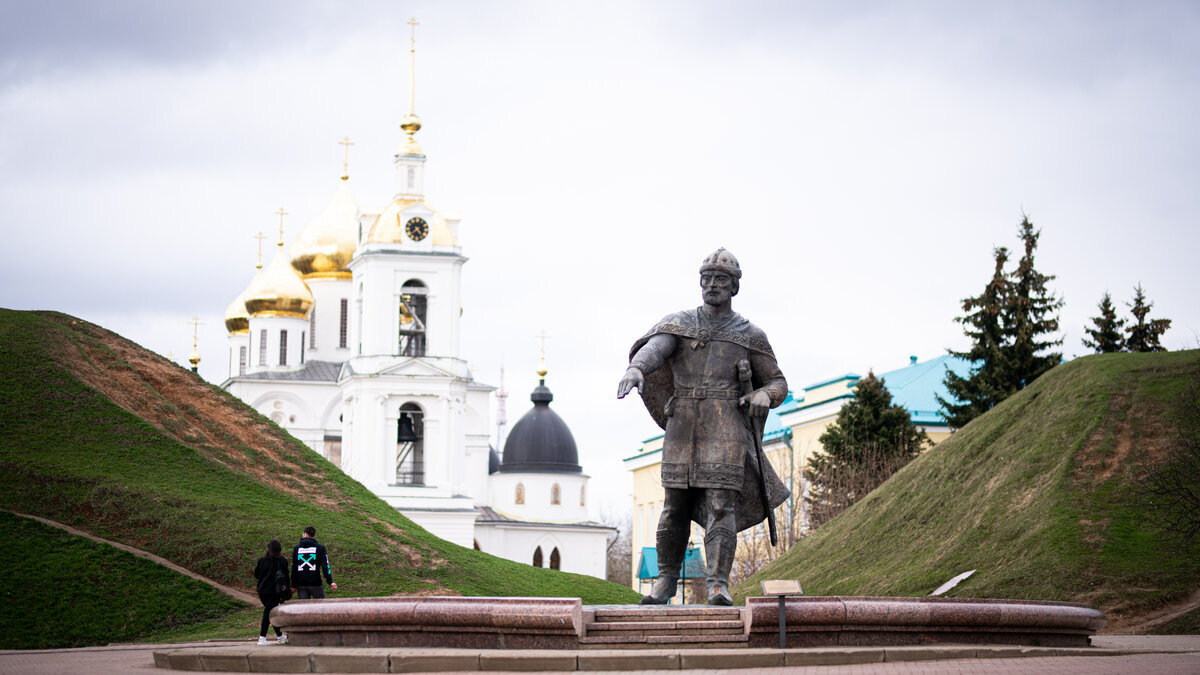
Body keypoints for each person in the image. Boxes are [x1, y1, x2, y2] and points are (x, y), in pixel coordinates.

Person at [618, 248, 789, 605]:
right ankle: (665, 582)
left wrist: (764, 396)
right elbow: (656, 348)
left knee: (721, 506)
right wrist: (637, 368)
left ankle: (717, 584)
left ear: (734, 288)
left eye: (720, 280)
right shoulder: (679, 324)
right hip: (682, 424)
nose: (712, 285)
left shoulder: (749, 334)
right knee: (673, 506)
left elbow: (777, 382)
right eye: (706, 280)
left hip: (725, 427)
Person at [252, 539, 290, 645]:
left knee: (271, 612)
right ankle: (262, 637)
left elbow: (256, 574)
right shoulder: (282, 560)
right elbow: (286, 576)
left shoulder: (262, 561)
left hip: (262, 590)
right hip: (274, 591)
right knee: (268, 614)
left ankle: (280, 636)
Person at [291, 526, 337, 598]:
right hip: (315, 583)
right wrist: (330, 581)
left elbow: (294, 567)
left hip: (301, 584)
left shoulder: (297, 549)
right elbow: (325, 566)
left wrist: (293, 585)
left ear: (305, 534)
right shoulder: (320, 548)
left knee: (303, 608)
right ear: (314, 535)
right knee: (322, 607)